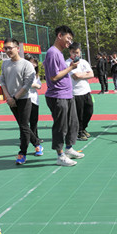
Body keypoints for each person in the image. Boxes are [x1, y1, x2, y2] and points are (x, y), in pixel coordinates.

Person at [43, 25, 85, 167]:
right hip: (58, 95)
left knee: (72, 123)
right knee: (61, 126)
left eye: (71, 39)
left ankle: (68, 149)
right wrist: (71, 68)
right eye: (68, 38)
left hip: (67, 94)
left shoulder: (59, 53)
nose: (69, 42)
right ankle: (60, 155)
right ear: (60, 36)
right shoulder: (53, 53)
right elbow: (54, 76)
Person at [0, 38, 43, 165]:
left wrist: (15, 98)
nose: (7, 51)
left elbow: (27, 84)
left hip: (24, 99)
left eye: (9, 48)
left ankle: (22, 153)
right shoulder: (5, 64)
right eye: (5, 48)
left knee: (23, 126)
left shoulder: (26, 64)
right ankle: (37, 144)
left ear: (17, 48)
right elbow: (2, 81)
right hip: (11, 100)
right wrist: (8, 97)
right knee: (23, 126)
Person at [66, 42, 94, 141]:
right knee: (79, 114)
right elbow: (76, 76)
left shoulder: (84, 62)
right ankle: (79, 131)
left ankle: (83, 128)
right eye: (73, 52)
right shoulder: (67, 63)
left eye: (77, 52)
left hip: (86, 91)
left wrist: (82, 74)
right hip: (76, 93)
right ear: (70, 52)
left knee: (89, 111)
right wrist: (84, 74)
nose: (76, 54)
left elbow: (91, 74)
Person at [24, 54, 42, 142]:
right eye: (32, 62)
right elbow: (27, 84)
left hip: (35, 99)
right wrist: (34, 85)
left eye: (35, 63)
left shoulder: (36, 74)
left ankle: (35, 137)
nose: (34, 65)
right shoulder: (25, 72)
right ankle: (26, 138)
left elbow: (39, 85)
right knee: (25, 121)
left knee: (34, 120)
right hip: (26, 98)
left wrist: (35, 85)